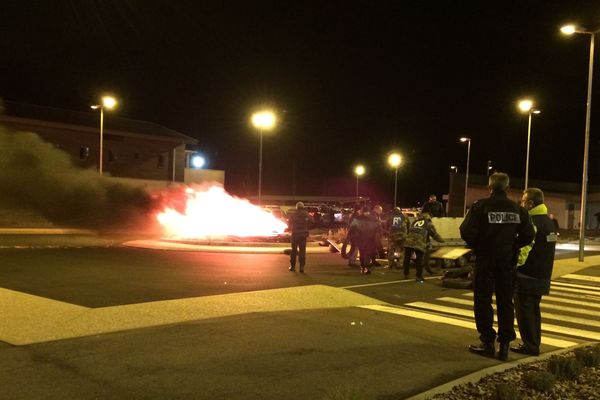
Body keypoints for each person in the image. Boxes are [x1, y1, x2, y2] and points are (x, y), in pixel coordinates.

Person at [460, 172, 535, 361]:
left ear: (490, 187)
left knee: (483, 300)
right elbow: (528, 235)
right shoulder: (518, 210)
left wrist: (479, 245)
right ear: (508, 188)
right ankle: (504, 345)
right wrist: (513, 246)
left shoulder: (480, 206)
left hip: (485, 260)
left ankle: (487, 342)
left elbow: (466, 230)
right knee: (505, 301)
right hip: (507, 261)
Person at [512, 188, 557, 356]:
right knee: (534, 312)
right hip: (543, 274)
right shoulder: (549, 222)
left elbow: (525, 250)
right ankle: (533, 343)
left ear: (530, 203)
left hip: (527, 275)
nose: (522, 204)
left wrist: (514, 266)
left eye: (523, 201)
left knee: (525, 312)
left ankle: (530, 346)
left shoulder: (532, 223)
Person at [403, 212, 444, 283]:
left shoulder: (415, 222)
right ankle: (419, 276)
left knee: (407, 258)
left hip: (408, 241)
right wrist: (442, 241)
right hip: (419, 242)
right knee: (420, 260)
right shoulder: (428, 223)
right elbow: (434, 234)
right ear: (428, 217)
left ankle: (406, 274)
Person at [354, 206, 379, 274]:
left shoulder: (358, 218)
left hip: (362, 239)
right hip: (367, 239)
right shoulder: (371, 218)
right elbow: (377, 227)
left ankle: (364, 267)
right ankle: (365, 267)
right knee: (365, 254)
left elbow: (354, 228)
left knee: (363, 254)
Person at [288, 201, 309, 273]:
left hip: (295, 235)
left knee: (294, 251)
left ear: (296, 207)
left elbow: (289, 224)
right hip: (303, 234)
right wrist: (307, 229)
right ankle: (302, 267)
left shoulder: (293, 214)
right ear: (303, 207)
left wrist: (290, 229)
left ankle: (292, 266)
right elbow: (312, 222)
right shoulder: (306, 214)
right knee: (302, 251)